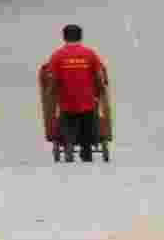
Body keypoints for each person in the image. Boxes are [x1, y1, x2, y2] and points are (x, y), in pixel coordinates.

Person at [40, 24, 112, 162]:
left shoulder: (57, 55)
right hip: (88, 100)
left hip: (66, 100)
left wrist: (50, 93)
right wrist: (100, 90)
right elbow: (99, 75)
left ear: (64, 37)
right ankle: (86, 149)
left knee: (66, 120)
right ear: (81, 36)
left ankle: (68, 144)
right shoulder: (90, 54)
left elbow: (53, 78)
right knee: (89, 120)